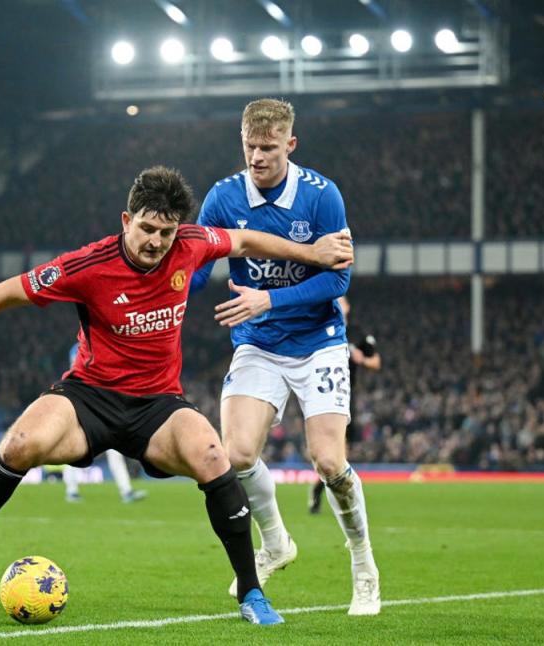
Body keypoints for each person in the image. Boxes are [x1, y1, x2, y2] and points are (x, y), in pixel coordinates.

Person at [0, 165, 352, 624]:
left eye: (166, 233)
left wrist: (310, 253)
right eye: (147, 229)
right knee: (18, 445)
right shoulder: (87, 265)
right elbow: (6, 292)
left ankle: (251, 591)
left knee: (214, 455)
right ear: (126, 221)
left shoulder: (191, 243)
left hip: (158, 405)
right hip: (89, 397)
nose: (156, 242)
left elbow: (245, 239)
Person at [189, 98, 381, 615]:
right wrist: (170, 290)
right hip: (257, 342)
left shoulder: (322, 196)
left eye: (268, 148)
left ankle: (363, 564)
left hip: (318, 340)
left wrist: (268, 297)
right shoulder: (224, 197)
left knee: (328, 461)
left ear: (290, 145)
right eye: (250, 146)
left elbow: (338, 277)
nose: (257, 156)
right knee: (238, 455)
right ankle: (276, 543)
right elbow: (201, 267)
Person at [309, 296, 381, 514]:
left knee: (340, 454)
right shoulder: (318, 328)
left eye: (342, 302)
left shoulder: (358, 334)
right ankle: (327, 494)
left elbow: (376, 362)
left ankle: (321, 491)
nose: (338, 304)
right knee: (330, 452)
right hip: (321, 395)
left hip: (346, 397)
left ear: (348, 307)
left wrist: (362, 360)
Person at [63, 343, 147, 504]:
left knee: (115, 450)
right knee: (73, 447)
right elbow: (79, 374)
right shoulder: (78, 348)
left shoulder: (102, 343)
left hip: (104, 403)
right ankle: (72, 490)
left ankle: (126, 491)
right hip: (85, 402)